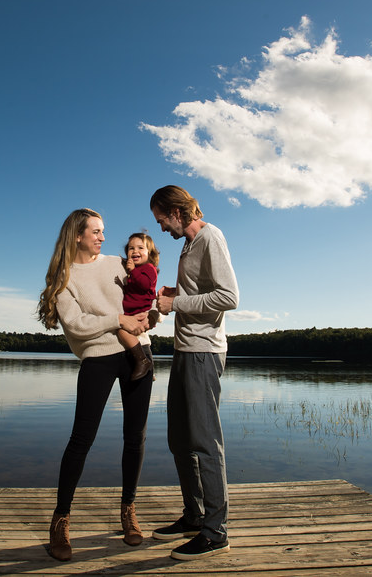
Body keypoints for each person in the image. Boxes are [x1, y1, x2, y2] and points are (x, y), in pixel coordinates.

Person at [37, 208, 155, 562]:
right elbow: (77, 325)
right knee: (81, 439)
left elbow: (144, 299)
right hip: (97, 359)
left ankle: (128, 510)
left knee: (135, 437)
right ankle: (60, 520)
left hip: (139, 355)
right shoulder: (64, 278)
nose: (103, 237)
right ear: (77, 235)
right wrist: (117, 319)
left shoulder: (120, 264)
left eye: (104, 231)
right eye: (97, 231)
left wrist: (148, 318)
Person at [148, 185, 239, 561]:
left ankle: (216, 532)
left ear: (176, 211)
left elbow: (229, 296)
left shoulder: (210, 237)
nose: (161, 228)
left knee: (205, 442)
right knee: (179, 439)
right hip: (185, 350)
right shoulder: (187, 246)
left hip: (204, 352)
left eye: (161, 219)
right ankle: (194, 515)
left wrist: (177, 301)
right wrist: (177, 291)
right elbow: (198, 292)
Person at [116, 233, 158, 381]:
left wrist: (132, 271)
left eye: (141, 248)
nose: (135, 251)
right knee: (134, 338)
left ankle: (143, 361)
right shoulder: (134, 272)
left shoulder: (149, 268)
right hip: (131, 313)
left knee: (121, 331)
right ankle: (149, 368)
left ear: (149, 253)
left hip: (140, 313)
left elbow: (145, 285)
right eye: (131, 248)